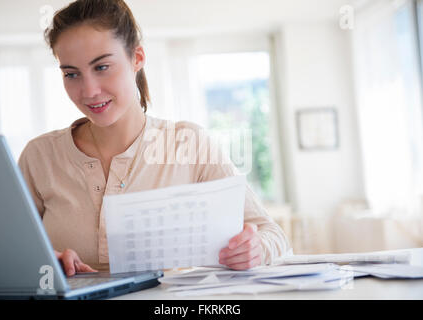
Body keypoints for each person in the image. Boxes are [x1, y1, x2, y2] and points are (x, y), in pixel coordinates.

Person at [18, 0, 290, 277]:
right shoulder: (39, 155)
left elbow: (272, 233)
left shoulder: (189, 143)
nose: (89, 91)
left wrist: (255, 249)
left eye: (101, 67)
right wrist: (46, 260)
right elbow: (8, 251)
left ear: (136, 58)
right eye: (72, 74)